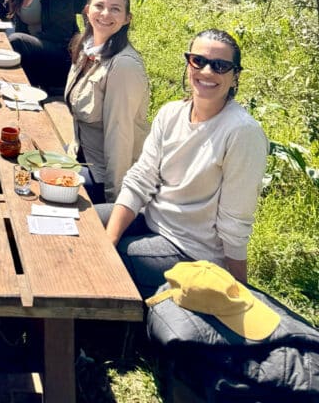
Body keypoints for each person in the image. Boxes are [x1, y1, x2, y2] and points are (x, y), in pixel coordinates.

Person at [102, 29, 269, 298]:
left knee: (102, 259)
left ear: (235, 76)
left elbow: (234, 222)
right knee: (81, 227)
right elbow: (140, 179)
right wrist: (109, 239)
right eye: (198, 61)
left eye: (220, 66)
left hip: (192, 250)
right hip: (152, 219)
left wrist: (240, 290)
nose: (207, 71)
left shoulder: (242, 133)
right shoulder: (171, 114)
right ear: (188, 63)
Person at [65, 0, 149, 205]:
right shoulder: (86, 49)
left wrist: (113, 200)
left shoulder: (123, 66)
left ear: (127, 18)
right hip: (79, 154)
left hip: (102, 176)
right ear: (87, 10)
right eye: (99, 6)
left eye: (115, 9)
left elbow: (120, 138)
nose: (105, 14)